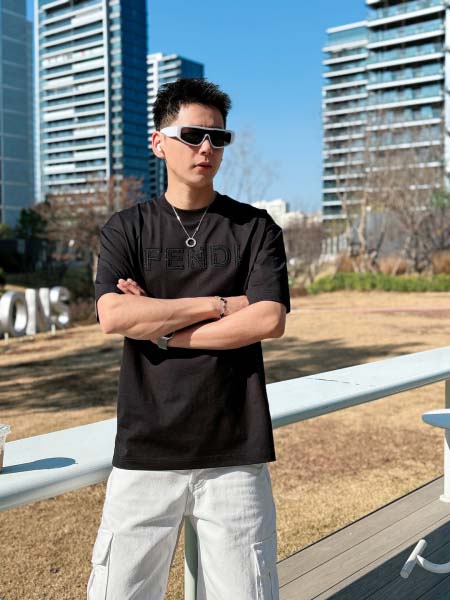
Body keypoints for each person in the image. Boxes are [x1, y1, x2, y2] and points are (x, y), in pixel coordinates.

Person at [88, 78, 291, 600]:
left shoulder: (255, 228)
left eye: (218, 138)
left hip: (234, 452)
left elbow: (268, 319)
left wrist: (162, 331)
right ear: (159, 142)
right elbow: (114, 314)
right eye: (193, 135)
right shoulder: (126, 229)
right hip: (145, 450)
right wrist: (219, 304)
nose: (206, 148)